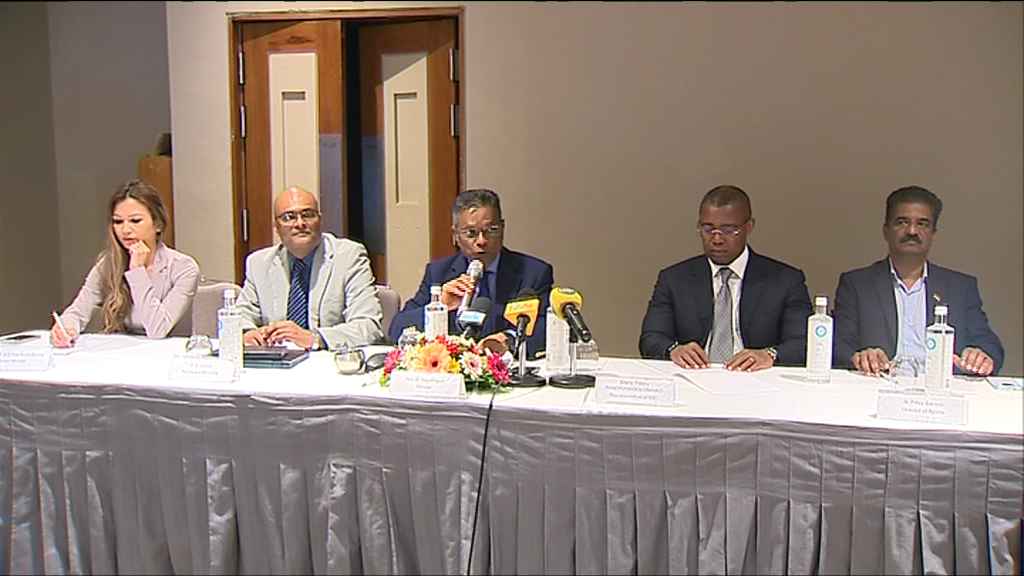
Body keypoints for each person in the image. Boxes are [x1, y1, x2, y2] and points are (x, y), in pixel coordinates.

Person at [833, 185, 1003, 376]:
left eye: (922, 224)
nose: (912, 231)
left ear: (933, 235)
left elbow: (990, 345)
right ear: (886, 231)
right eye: (902, 222)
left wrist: (982, 357)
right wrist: (858, 357)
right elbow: (838, 344)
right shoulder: (857, 284)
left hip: (940, 388)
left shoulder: (960, 287)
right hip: (878, 383)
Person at [639, 185, 812, 371]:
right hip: (694, 375)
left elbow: (803, 343)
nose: (717, 239)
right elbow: (651, 338)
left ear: (749, 227)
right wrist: (674, 350)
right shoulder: (674, 279)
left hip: (755, 377)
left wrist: (769, 355)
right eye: (707, 229)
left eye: (729, 230)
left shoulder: (785, 281)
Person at [388, 188, 554, 358]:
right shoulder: (439, 272)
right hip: (455, 367)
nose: (482, 241)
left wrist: (509, 340)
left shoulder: (533, 272)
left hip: (509, 367)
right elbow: (397, 329)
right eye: (471, 233)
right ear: (455, 235)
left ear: (502, 228)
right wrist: (440, 306)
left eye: (491, 230)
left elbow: (548, 329)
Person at [50, 180, 200, 346]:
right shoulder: (107, 264)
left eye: (135, 221)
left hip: (168, 352)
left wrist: (137, 272)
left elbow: (158, 329)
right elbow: (78, 311)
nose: (125, 230)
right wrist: (66, 327)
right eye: (118, 222)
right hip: (123, 351)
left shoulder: (183, 268)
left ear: (157, 224)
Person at [237, 186, 383, 350]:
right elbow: (240, 317)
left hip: (328, 360)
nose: (300, 223)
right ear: (276, 226)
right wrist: (248, 334)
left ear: (320, 220)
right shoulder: (259, 263)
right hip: (277, 359)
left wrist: (314, 338)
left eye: (308, 215)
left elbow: (368, 326)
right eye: (289, 217)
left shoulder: (349, 257)